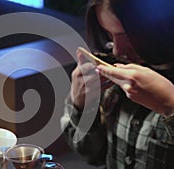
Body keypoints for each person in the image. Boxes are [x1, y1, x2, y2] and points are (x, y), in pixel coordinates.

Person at [60, 0, 174, 168]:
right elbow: (92, 155)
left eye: (127, 36)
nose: (117, 51)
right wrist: (82, 105)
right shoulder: (114, 66)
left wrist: (170, 106)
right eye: (109, 34)